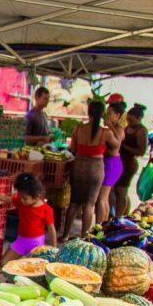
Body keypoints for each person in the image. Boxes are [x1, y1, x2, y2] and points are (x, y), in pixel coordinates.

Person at [0, 172, 56, 261]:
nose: (22, 200)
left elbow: (51, 229)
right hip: (21, 241)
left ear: (36, 196)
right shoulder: (20, 201)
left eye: (25, 198)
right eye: (20, 196)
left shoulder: (46, 209)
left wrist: (54, 249)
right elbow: (3, 198)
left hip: (37, 244)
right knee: (3, 263)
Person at [61, 100, 107, 242]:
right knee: (89, 204)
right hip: (95, 168)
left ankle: (65, 235)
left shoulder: (79, 129)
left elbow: (73, 149)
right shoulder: (105, 132)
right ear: (102, 114)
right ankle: (84, 237)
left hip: (79, 166)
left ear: (89, 113)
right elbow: (117, 145)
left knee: (74, 203)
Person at [113, 103, 148, 216]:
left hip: (129, 164)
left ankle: (118, 217)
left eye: (131, 121)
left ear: (138, 118)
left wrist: (124, 146)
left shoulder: (142, 131)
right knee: (119, 191)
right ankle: (123, 214)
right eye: (128, 120)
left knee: (122, 191)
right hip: (121, 162)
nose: (129, 123)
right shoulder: (128, 127)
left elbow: (141, 152)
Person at [96, 100, 126, 223]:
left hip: (112, 164)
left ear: (117, 115)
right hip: (110, 163)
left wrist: (109, 125)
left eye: (110, 114)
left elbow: (117, 143)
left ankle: (97, 227)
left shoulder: (119, 129)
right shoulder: (113, 128)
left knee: (101, 199)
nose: (106, 117)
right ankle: (103, 225)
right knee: (105, 198)